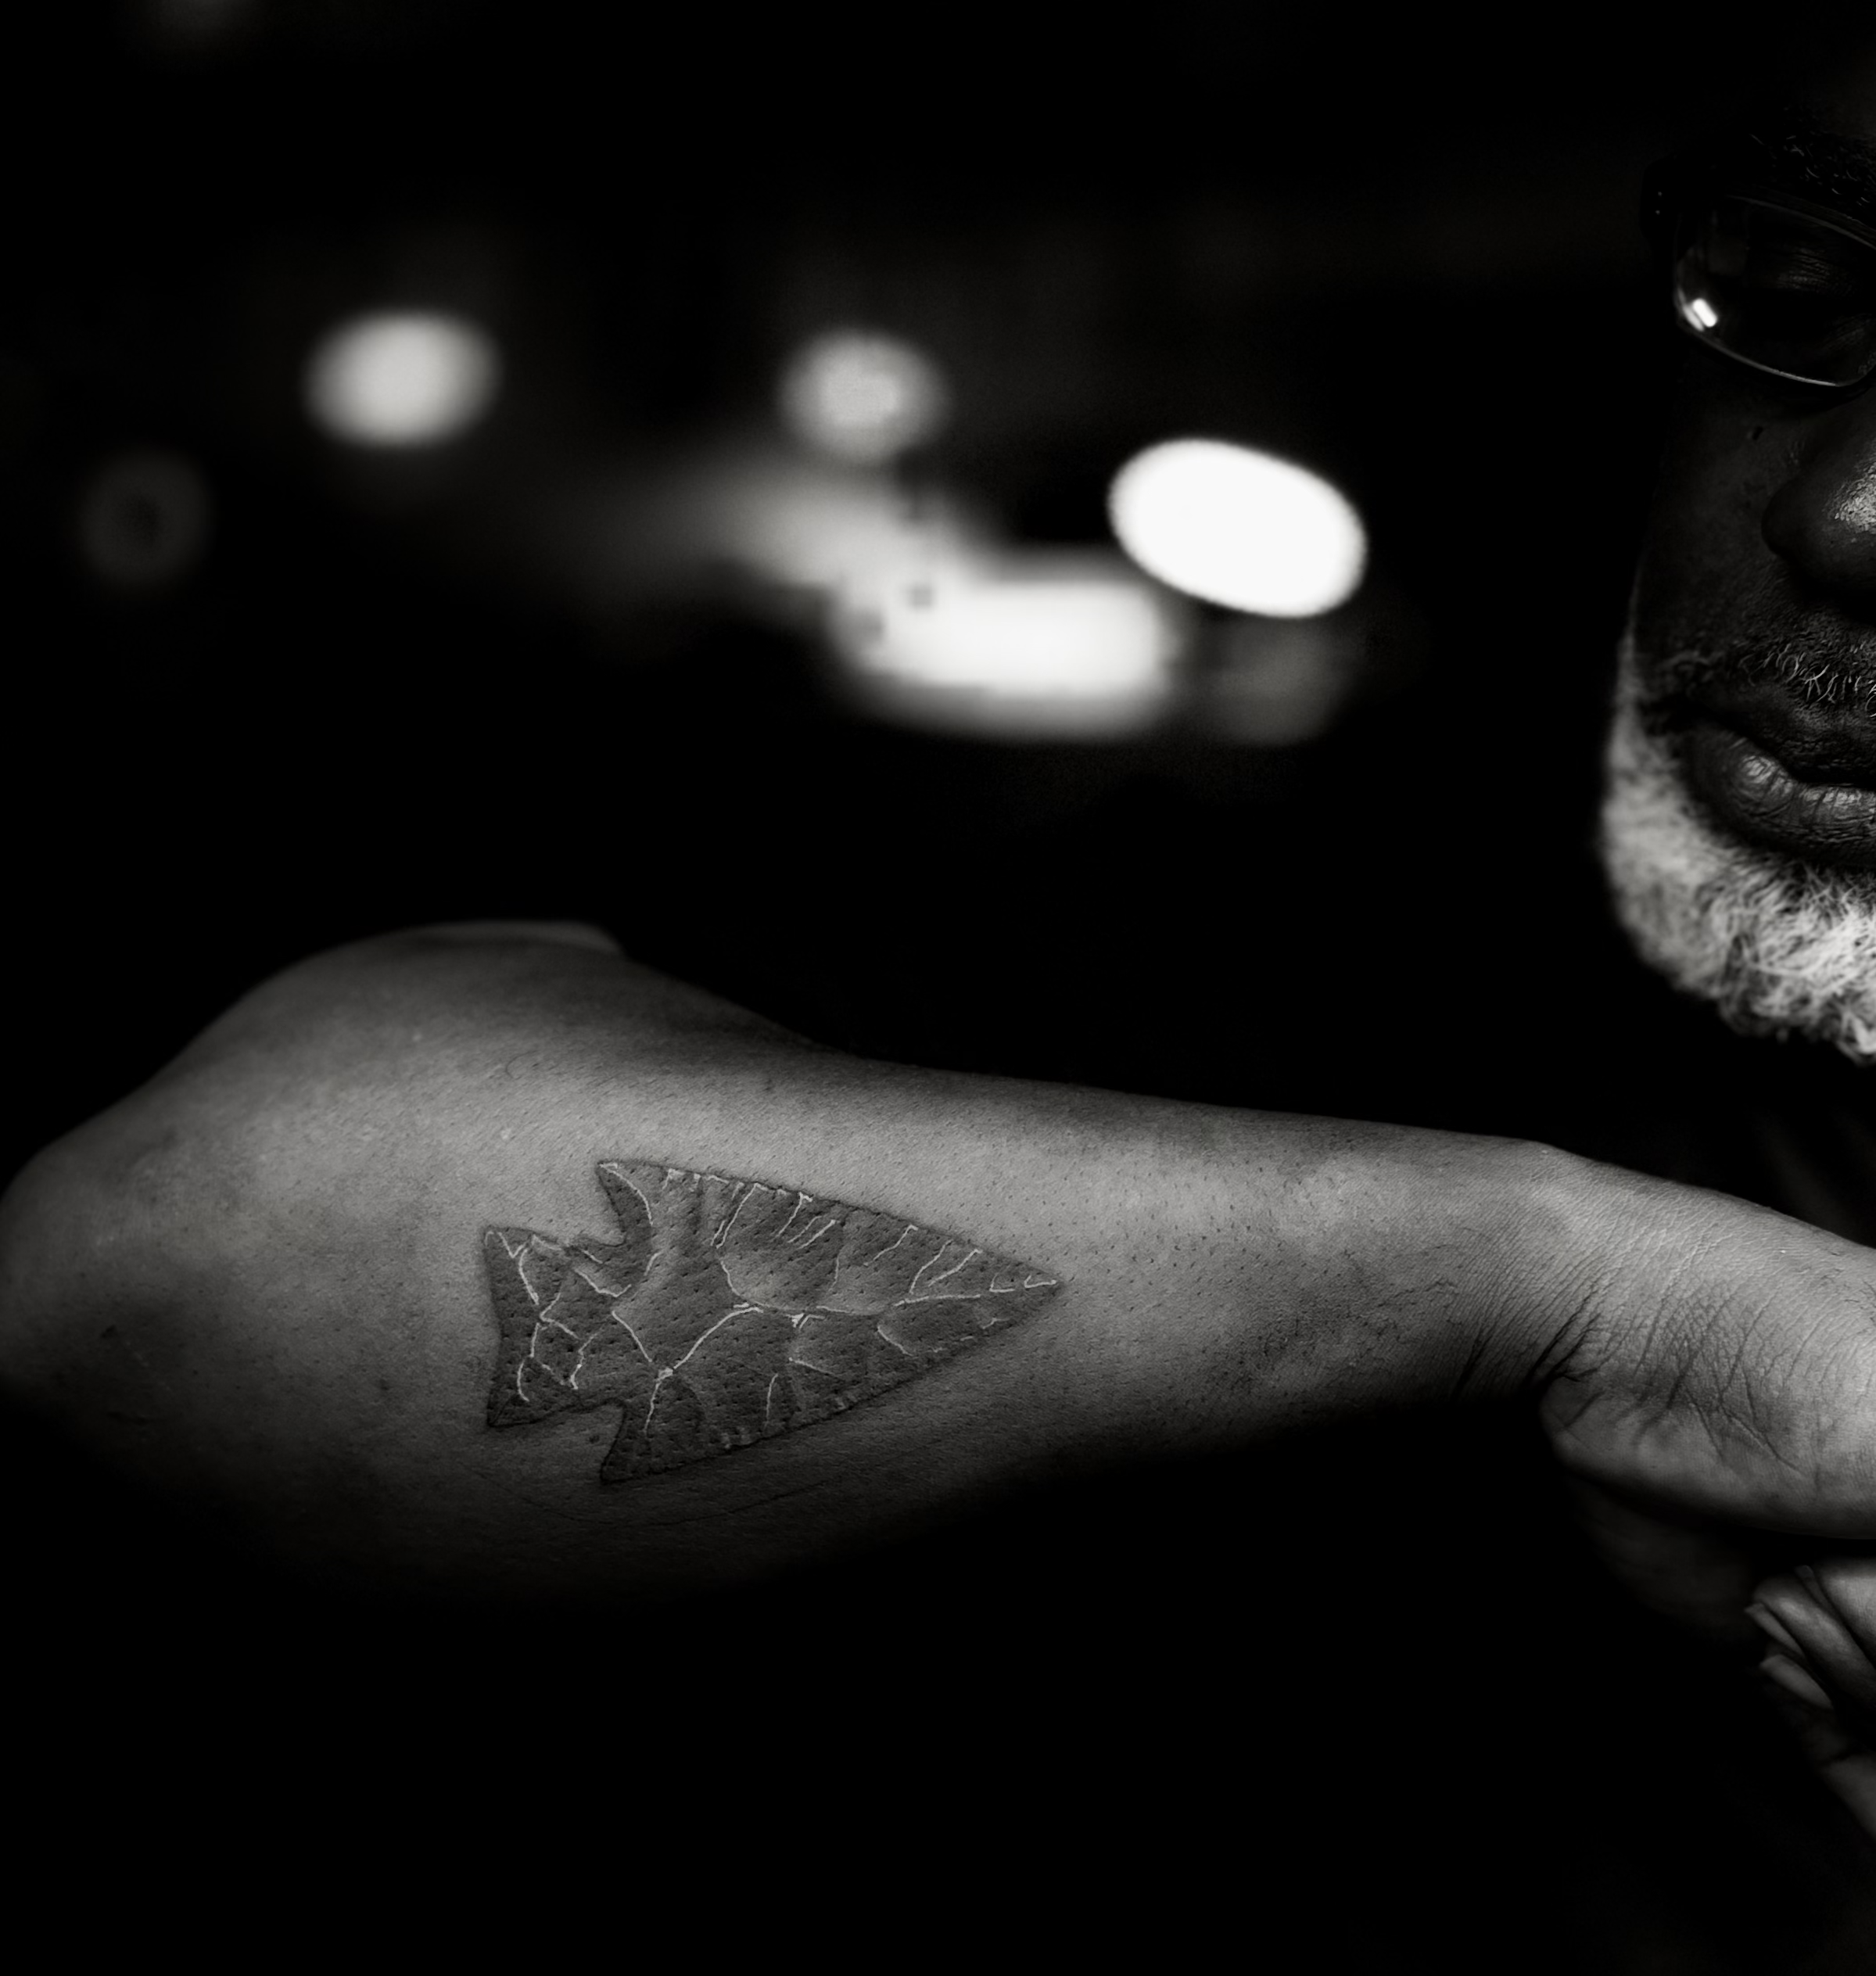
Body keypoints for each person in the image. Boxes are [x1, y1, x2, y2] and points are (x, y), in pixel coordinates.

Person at [10, 29, 1876, 1956]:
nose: (1841, 515)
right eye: (1808, 287)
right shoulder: (1353, 937)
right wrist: (1586, 1300)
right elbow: (155, 1251)